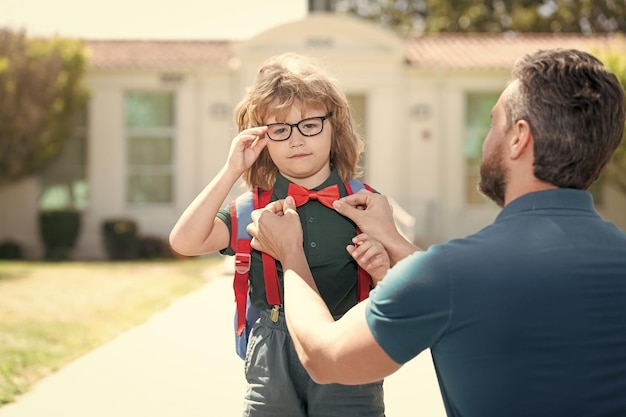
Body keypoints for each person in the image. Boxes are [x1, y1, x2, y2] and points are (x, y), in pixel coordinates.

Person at [247, 48, 626, 417]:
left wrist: (290, 253)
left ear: (519, 138)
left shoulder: (449, 273)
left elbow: (325, 359)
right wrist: (394, 241)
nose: (484, 141)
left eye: (493, 123)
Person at [169, 52, 390, 417]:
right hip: (272, 357)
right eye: (280, 129)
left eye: (310, 124)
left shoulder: (367, 204)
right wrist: (230, 170)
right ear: (262, 138)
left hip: (349, 347)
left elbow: (404, 282)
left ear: (334, 126)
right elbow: (184, 242)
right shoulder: (250, 210)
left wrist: (382, 268)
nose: (296, 140)